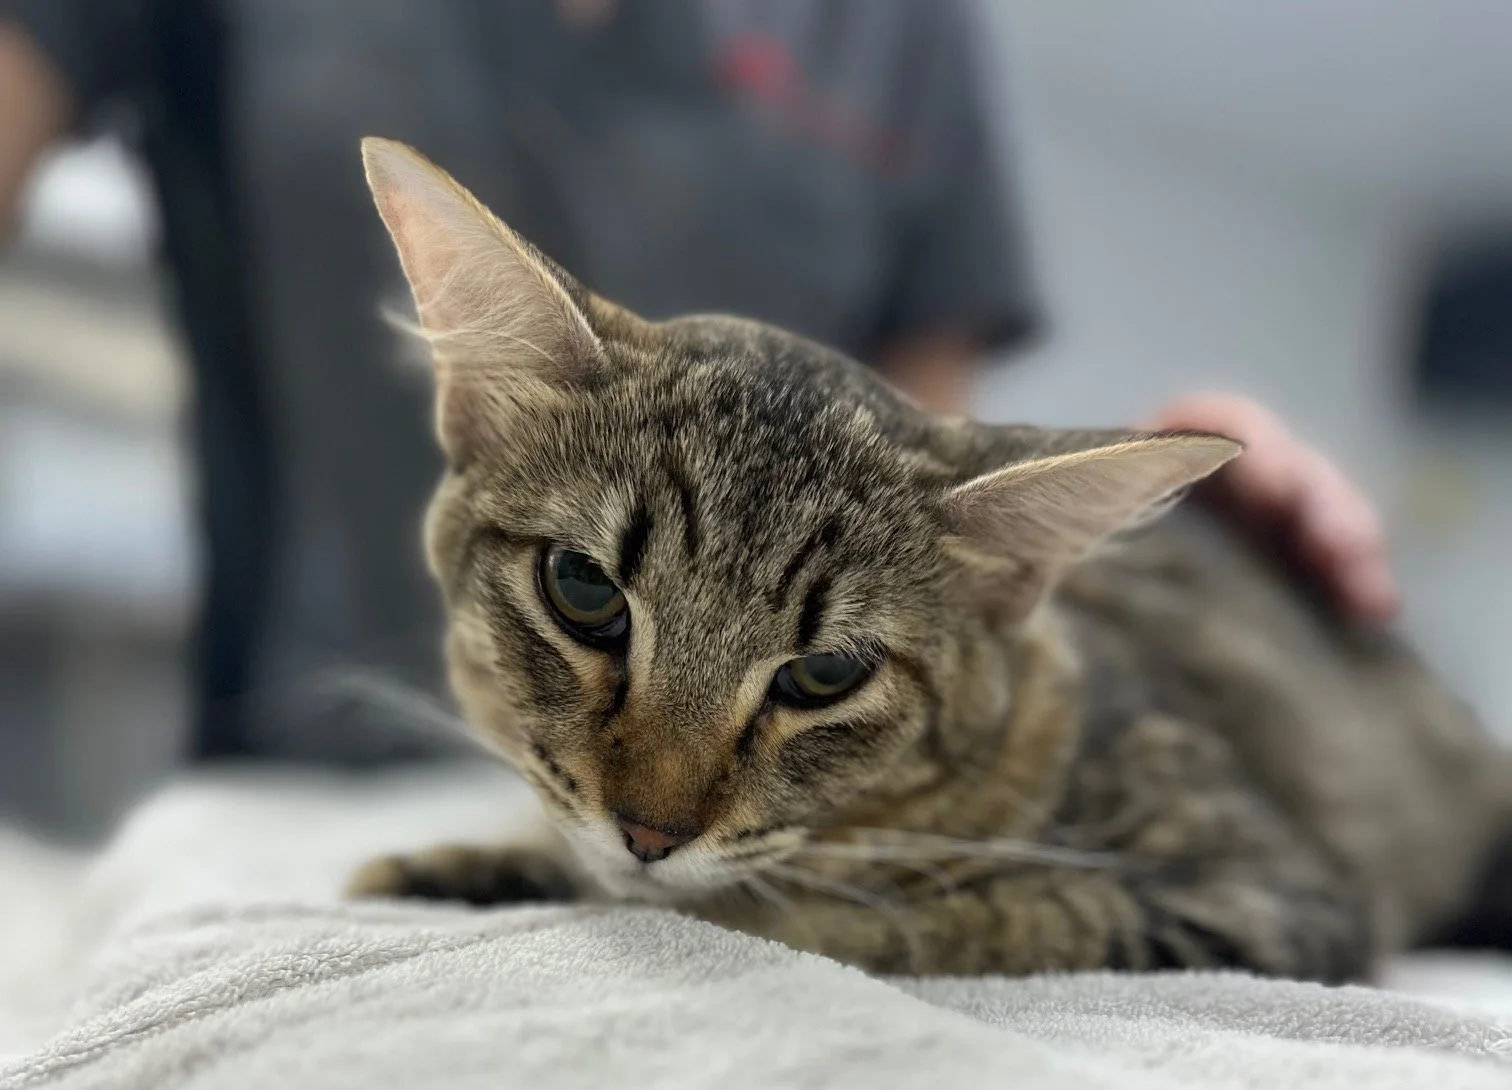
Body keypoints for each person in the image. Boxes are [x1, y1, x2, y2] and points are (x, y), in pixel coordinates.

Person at [0, 0, 1400, 765]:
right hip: (316, 775)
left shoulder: (902, 32)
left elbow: (921, 521)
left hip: (762, 837)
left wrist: (1130, 542)